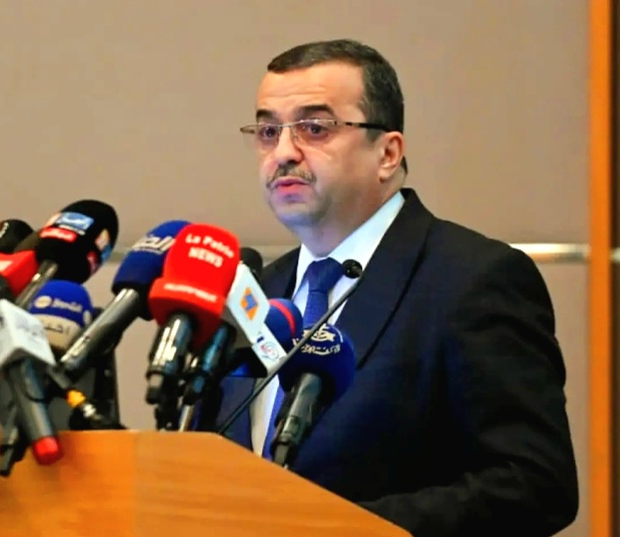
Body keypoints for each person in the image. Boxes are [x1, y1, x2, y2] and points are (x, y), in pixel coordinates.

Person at [224, 39, 579, 536]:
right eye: (268, 131)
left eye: (314, 128)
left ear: (388, 153)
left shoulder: (472, 280)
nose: (283, 153)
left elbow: (535, 485)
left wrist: (336, 530)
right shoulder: (256, 293)